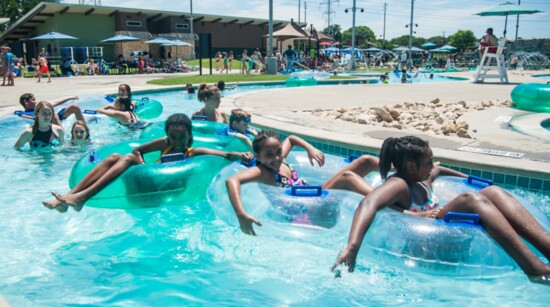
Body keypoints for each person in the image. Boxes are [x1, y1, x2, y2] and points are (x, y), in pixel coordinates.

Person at [332, 136, 550, 284]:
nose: (431, 164)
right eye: (427, 161)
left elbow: (439, 169)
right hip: (424, 245)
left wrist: (466, 179)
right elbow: (368, 203)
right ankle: (533, 268)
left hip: (445, 239)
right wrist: (352, 247)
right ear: (410, 166)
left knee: (492, 192)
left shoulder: (422, 179)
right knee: (469, 200)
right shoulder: (399, 184)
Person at [42, 113, 252, 213]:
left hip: (159, 193)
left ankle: (79, 198)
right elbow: (138, 150)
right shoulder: (164, 143)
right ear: (167, 136)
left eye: (181, 138)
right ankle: (71, 198)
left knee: (127, 159)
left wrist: (241, 155)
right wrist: (141, 164)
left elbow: (223, 155)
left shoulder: (192, 151)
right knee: (116, 157)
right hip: (143, 185)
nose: (176, 142)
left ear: (189, 137)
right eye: (172, 137)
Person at [225, 131, 379, 235]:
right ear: (258, 157)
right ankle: (387, 199)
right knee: (347, 178)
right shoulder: (263, 172)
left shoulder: (280, 159)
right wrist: (241, 214)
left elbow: (291, 138)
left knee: (366, 161)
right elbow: (232, 180)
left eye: (278, 152)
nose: (277, 158)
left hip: (315, 200)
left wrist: (310, 149)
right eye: (269, 155)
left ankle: (399, 172)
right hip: (307, 217)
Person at [18, 93, 85, 128]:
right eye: (33, 100)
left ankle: (85, 129)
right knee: (53, 114)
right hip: (47, 118)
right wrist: (37, 118)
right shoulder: (22, 113)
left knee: (74, 107)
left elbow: (56, 102)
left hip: (53, 117)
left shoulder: (40, 106)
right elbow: (23, 116)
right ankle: (62, 136)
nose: (35, 102)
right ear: (26, 102)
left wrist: (69, 97)